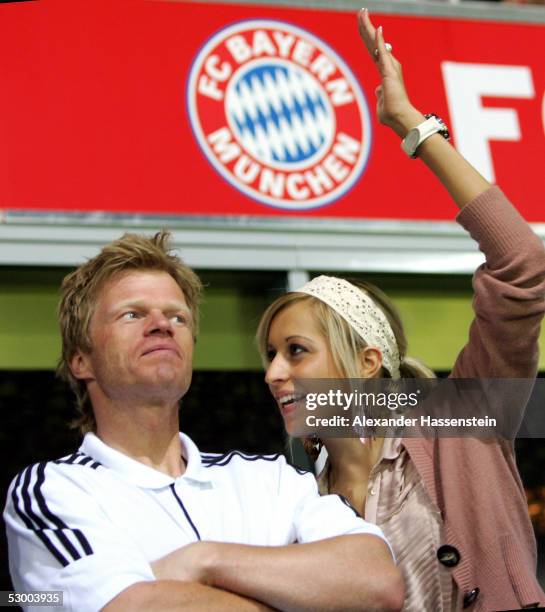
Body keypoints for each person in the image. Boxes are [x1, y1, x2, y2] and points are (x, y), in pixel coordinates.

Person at [257, 9, 545, 612]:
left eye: (296, 351)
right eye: (271, 356)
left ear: (366, 361)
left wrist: (410, 125)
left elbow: (522, 263)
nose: (273, 374)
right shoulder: (295, 497)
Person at [3, 234, 404, 611]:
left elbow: (377, 582)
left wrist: (204, 560)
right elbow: (127, 606)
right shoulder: (53, 491)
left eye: (177, 317)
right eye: (132, 314)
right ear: (81, 360)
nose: (161, 324)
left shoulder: (269, 479)